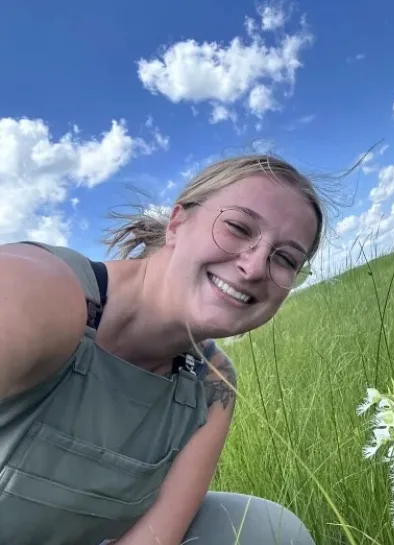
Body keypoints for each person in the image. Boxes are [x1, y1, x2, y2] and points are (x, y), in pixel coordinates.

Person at [0, 155, 323, 545]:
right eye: (238, 227)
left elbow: (154, 539)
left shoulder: (212, 386)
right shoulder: (38, 294)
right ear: (177, 223)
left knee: (267, 533)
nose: (255, 268)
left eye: (286, 258)